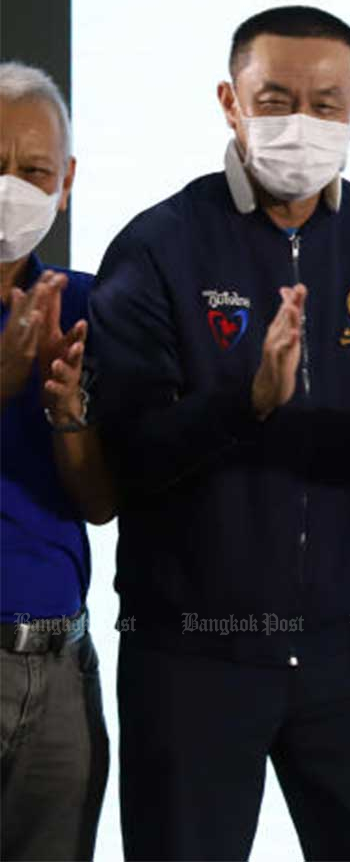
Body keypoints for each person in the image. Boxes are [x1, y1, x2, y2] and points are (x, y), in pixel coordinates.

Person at [88, 6, 350, 860]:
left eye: (326, 103)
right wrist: (247, 400)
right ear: (231, 102)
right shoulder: (156, 247)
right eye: (275, 98)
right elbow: (126, 458)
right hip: (190, 655)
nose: (302, 122)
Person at [0, 60, 114, 861]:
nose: (12, 187)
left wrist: (69, 417)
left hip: (61, 665)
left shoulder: (86, 305)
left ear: (65, 181)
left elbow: (101, 500)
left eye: (34, 170)